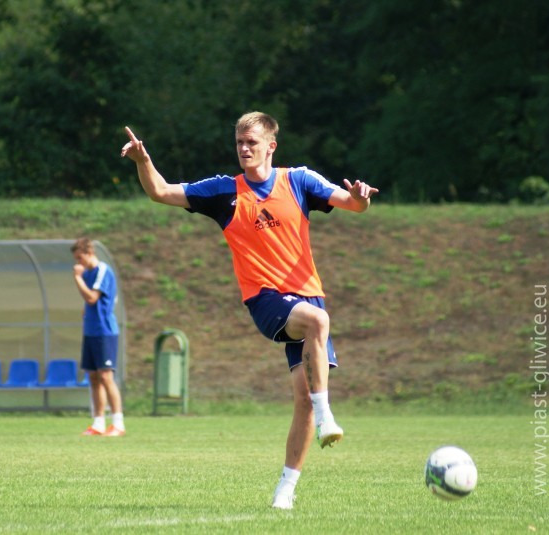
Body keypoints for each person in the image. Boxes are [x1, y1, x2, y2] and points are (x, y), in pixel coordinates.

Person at [121, 112, 378, 509]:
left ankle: (285, 491)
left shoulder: (299, 180)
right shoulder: (224, 191)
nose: (244, 149)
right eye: (239, 142)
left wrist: (360, 197)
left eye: (251, 142)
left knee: (303, 399)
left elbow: (353, 205)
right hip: (265, 299)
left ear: (271, 146)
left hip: (308, 297)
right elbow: (160, 191)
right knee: (318, 323)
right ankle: (328, 416)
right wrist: (143, 161)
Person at [71, 237, 125, 437]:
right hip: (91, 331)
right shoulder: (87, 273)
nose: (78, 262)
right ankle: (98, 423)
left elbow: (92, 298)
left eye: (80, 258)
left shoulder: (102, 271)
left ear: (89, 253)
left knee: (106, 376)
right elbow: (88, 302)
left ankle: (118, 423)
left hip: (104, 330)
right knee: (93, 377)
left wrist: (77, 278)